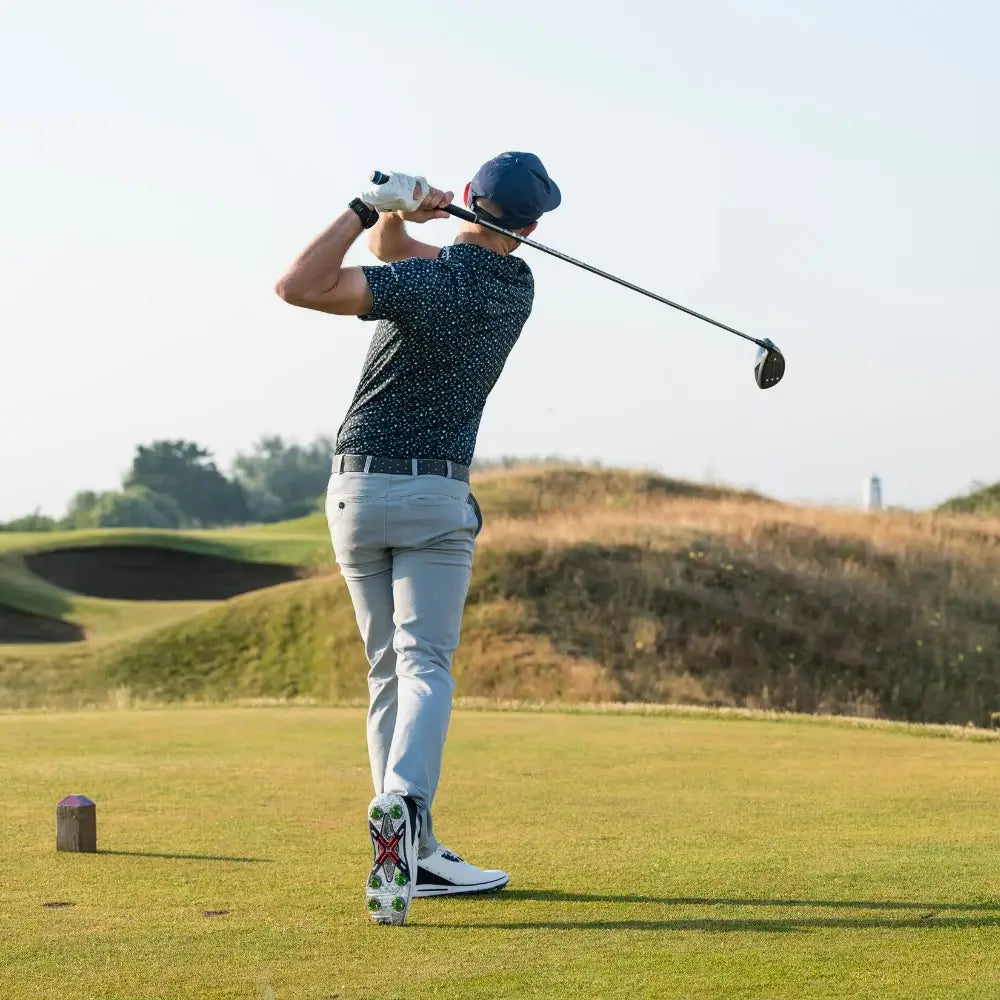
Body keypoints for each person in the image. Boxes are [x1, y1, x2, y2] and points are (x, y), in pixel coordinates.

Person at [275, 152, 560, 925]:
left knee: (385, 673)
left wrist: (372, 209)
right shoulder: (514, 288)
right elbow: (400, 255)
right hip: (434, 494)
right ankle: (402, 806)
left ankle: (414, 850)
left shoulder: (425, 285)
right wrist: (406, 215)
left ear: (469, 200)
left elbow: (299, 285)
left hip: (356, 492)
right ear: (530, 229)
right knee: (424, 663)